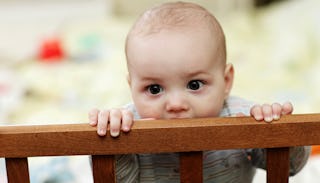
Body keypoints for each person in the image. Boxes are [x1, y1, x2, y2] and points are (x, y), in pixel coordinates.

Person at [88, 2, 310, 182]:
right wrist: (112, 142)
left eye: (194, 85)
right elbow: (117, 180)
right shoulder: (129, 126)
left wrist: (275, 132)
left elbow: (290, 167)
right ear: (131, 87)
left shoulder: (242, 118)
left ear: (226, 81)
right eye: (154, 89)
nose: (175, 104)